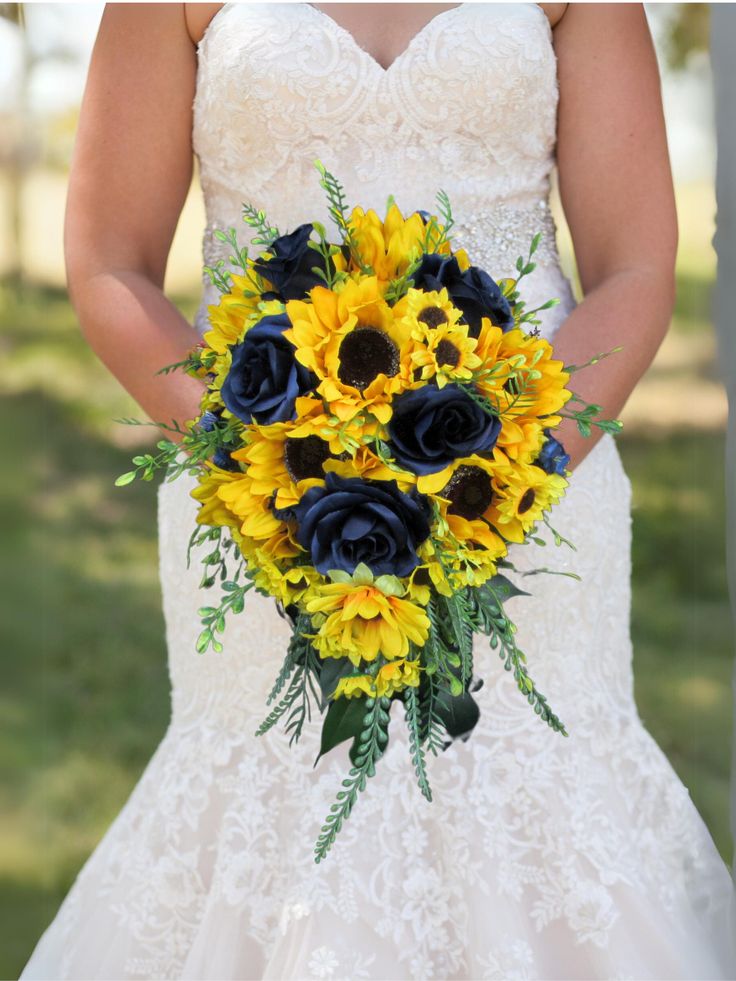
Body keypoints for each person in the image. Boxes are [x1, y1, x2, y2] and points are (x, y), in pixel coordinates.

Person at [20, 3, 736, 978]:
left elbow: (637, 266)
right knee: (277, 785)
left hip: (537, 483)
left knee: (542, 776)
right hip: (263, 486)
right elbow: (109, 260)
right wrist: (257, 461)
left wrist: (507, 470)